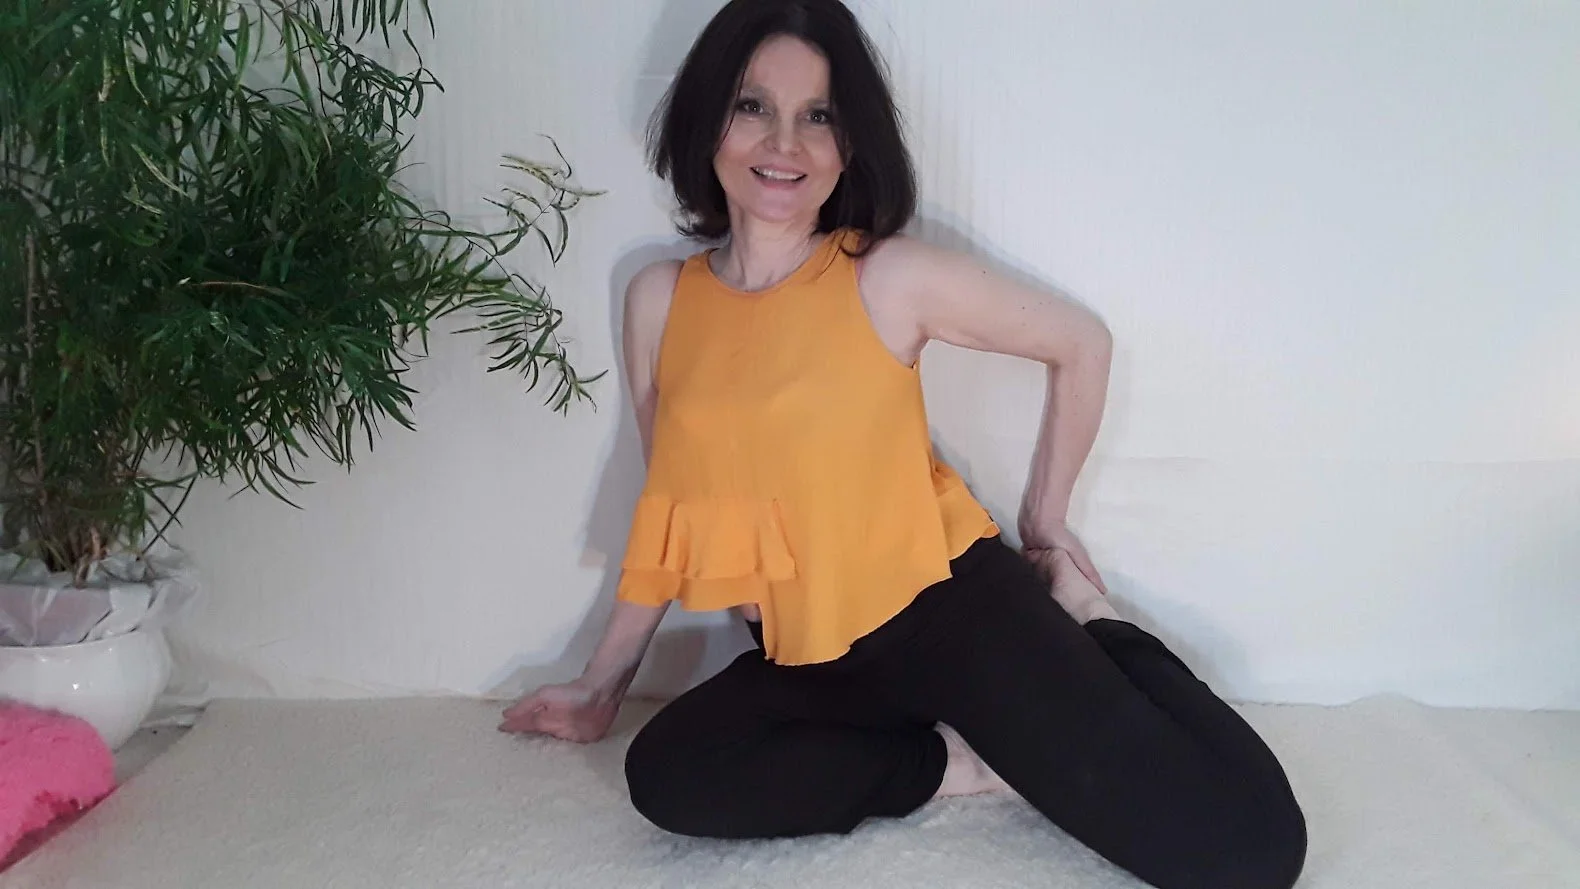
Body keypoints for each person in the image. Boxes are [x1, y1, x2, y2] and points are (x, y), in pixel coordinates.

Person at [500, 2, 1307, 887]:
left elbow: (1081, 343)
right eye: (752, 106)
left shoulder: (882, 276)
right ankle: (954, 763)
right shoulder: (660, 299)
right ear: (707, 120)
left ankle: (1094, 627)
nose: (785, 143)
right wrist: (601, 685)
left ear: (849, 142)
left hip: (953, 614)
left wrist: (1046, 523)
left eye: (818, 115)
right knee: (667, 773)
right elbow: (672, 509)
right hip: (809, 656)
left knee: (1251, 852)